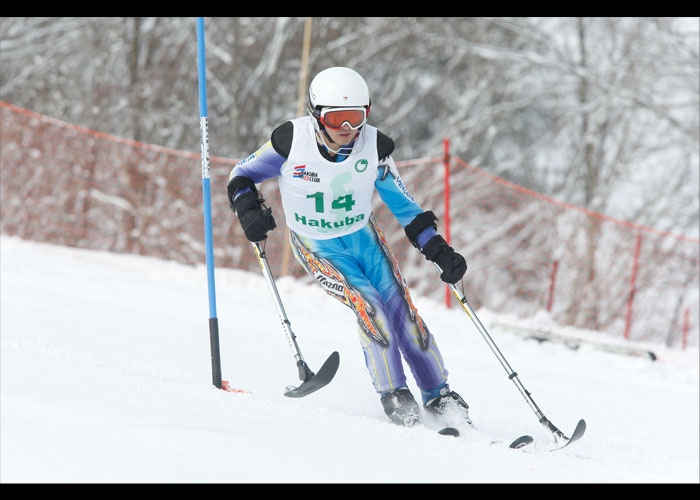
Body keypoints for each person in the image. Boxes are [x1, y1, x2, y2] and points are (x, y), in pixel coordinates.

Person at [227, 67, 470, 428]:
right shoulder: (290, 141)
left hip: (364, 238)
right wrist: (249, 211)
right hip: (316, 245)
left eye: (355, 118)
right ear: (316, 114)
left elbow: (405, 208)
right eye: (336, 118)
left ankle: (438, 394)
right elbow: (241, 175)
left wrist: (437, 250)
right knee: (370, 306)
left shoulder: (375, 148)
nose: (346, 128)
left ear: (366, 114)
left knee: (400, 308)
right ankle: (394, 394)